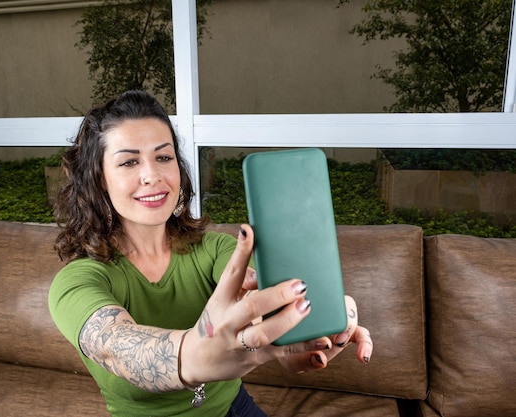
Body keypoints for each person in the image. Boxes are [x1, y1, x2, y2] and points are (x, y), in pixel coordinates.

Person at [48, 90, 373, 417]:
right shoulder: (77, 282)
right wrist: (195, 353)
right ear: (99, 180)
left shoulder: (216, 249)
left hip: (236, 409)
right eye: (129, 162)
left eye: (164, 157)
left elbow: (261, 316)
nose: (153, 175)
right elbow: (117, 347)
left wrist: (306, 326)